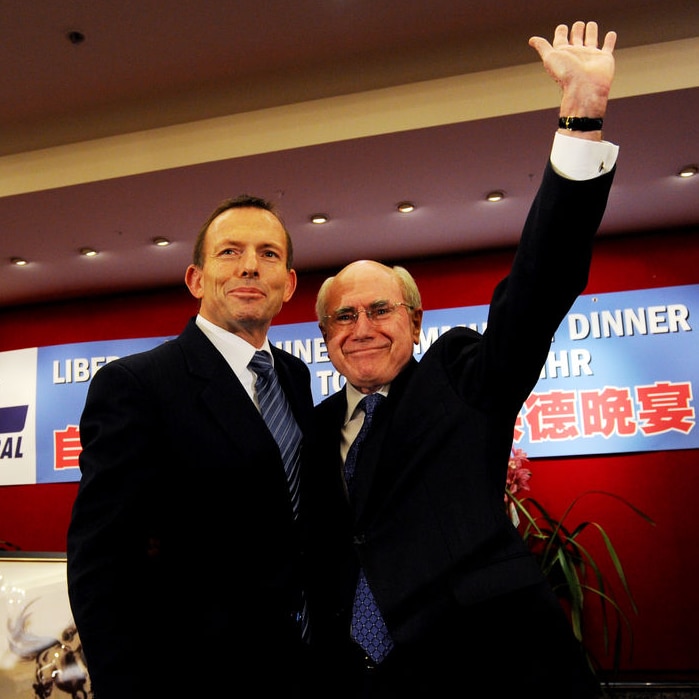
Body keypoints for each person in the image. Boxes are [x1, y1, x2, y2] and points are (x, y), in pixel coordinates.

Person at [308, 21, 618, 699]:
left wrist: (580, 119)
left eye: (380, 310)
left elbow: (536, 291)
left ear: (415, 322)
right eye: (343, 315)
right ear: (325, 336)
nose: (361, 327)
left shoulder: (459, 376)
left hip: (495, 669)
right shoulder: (314, 423)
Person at [66, 195, 321, 698]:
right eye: (230, 252)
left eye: (269, 254)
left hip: (301, 667)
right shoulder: (137, 385)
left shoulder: (293, 376)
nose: (250, 266)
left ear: (288, 284)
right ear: (196, 280)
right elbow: (102, 560)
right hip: (194, 677)